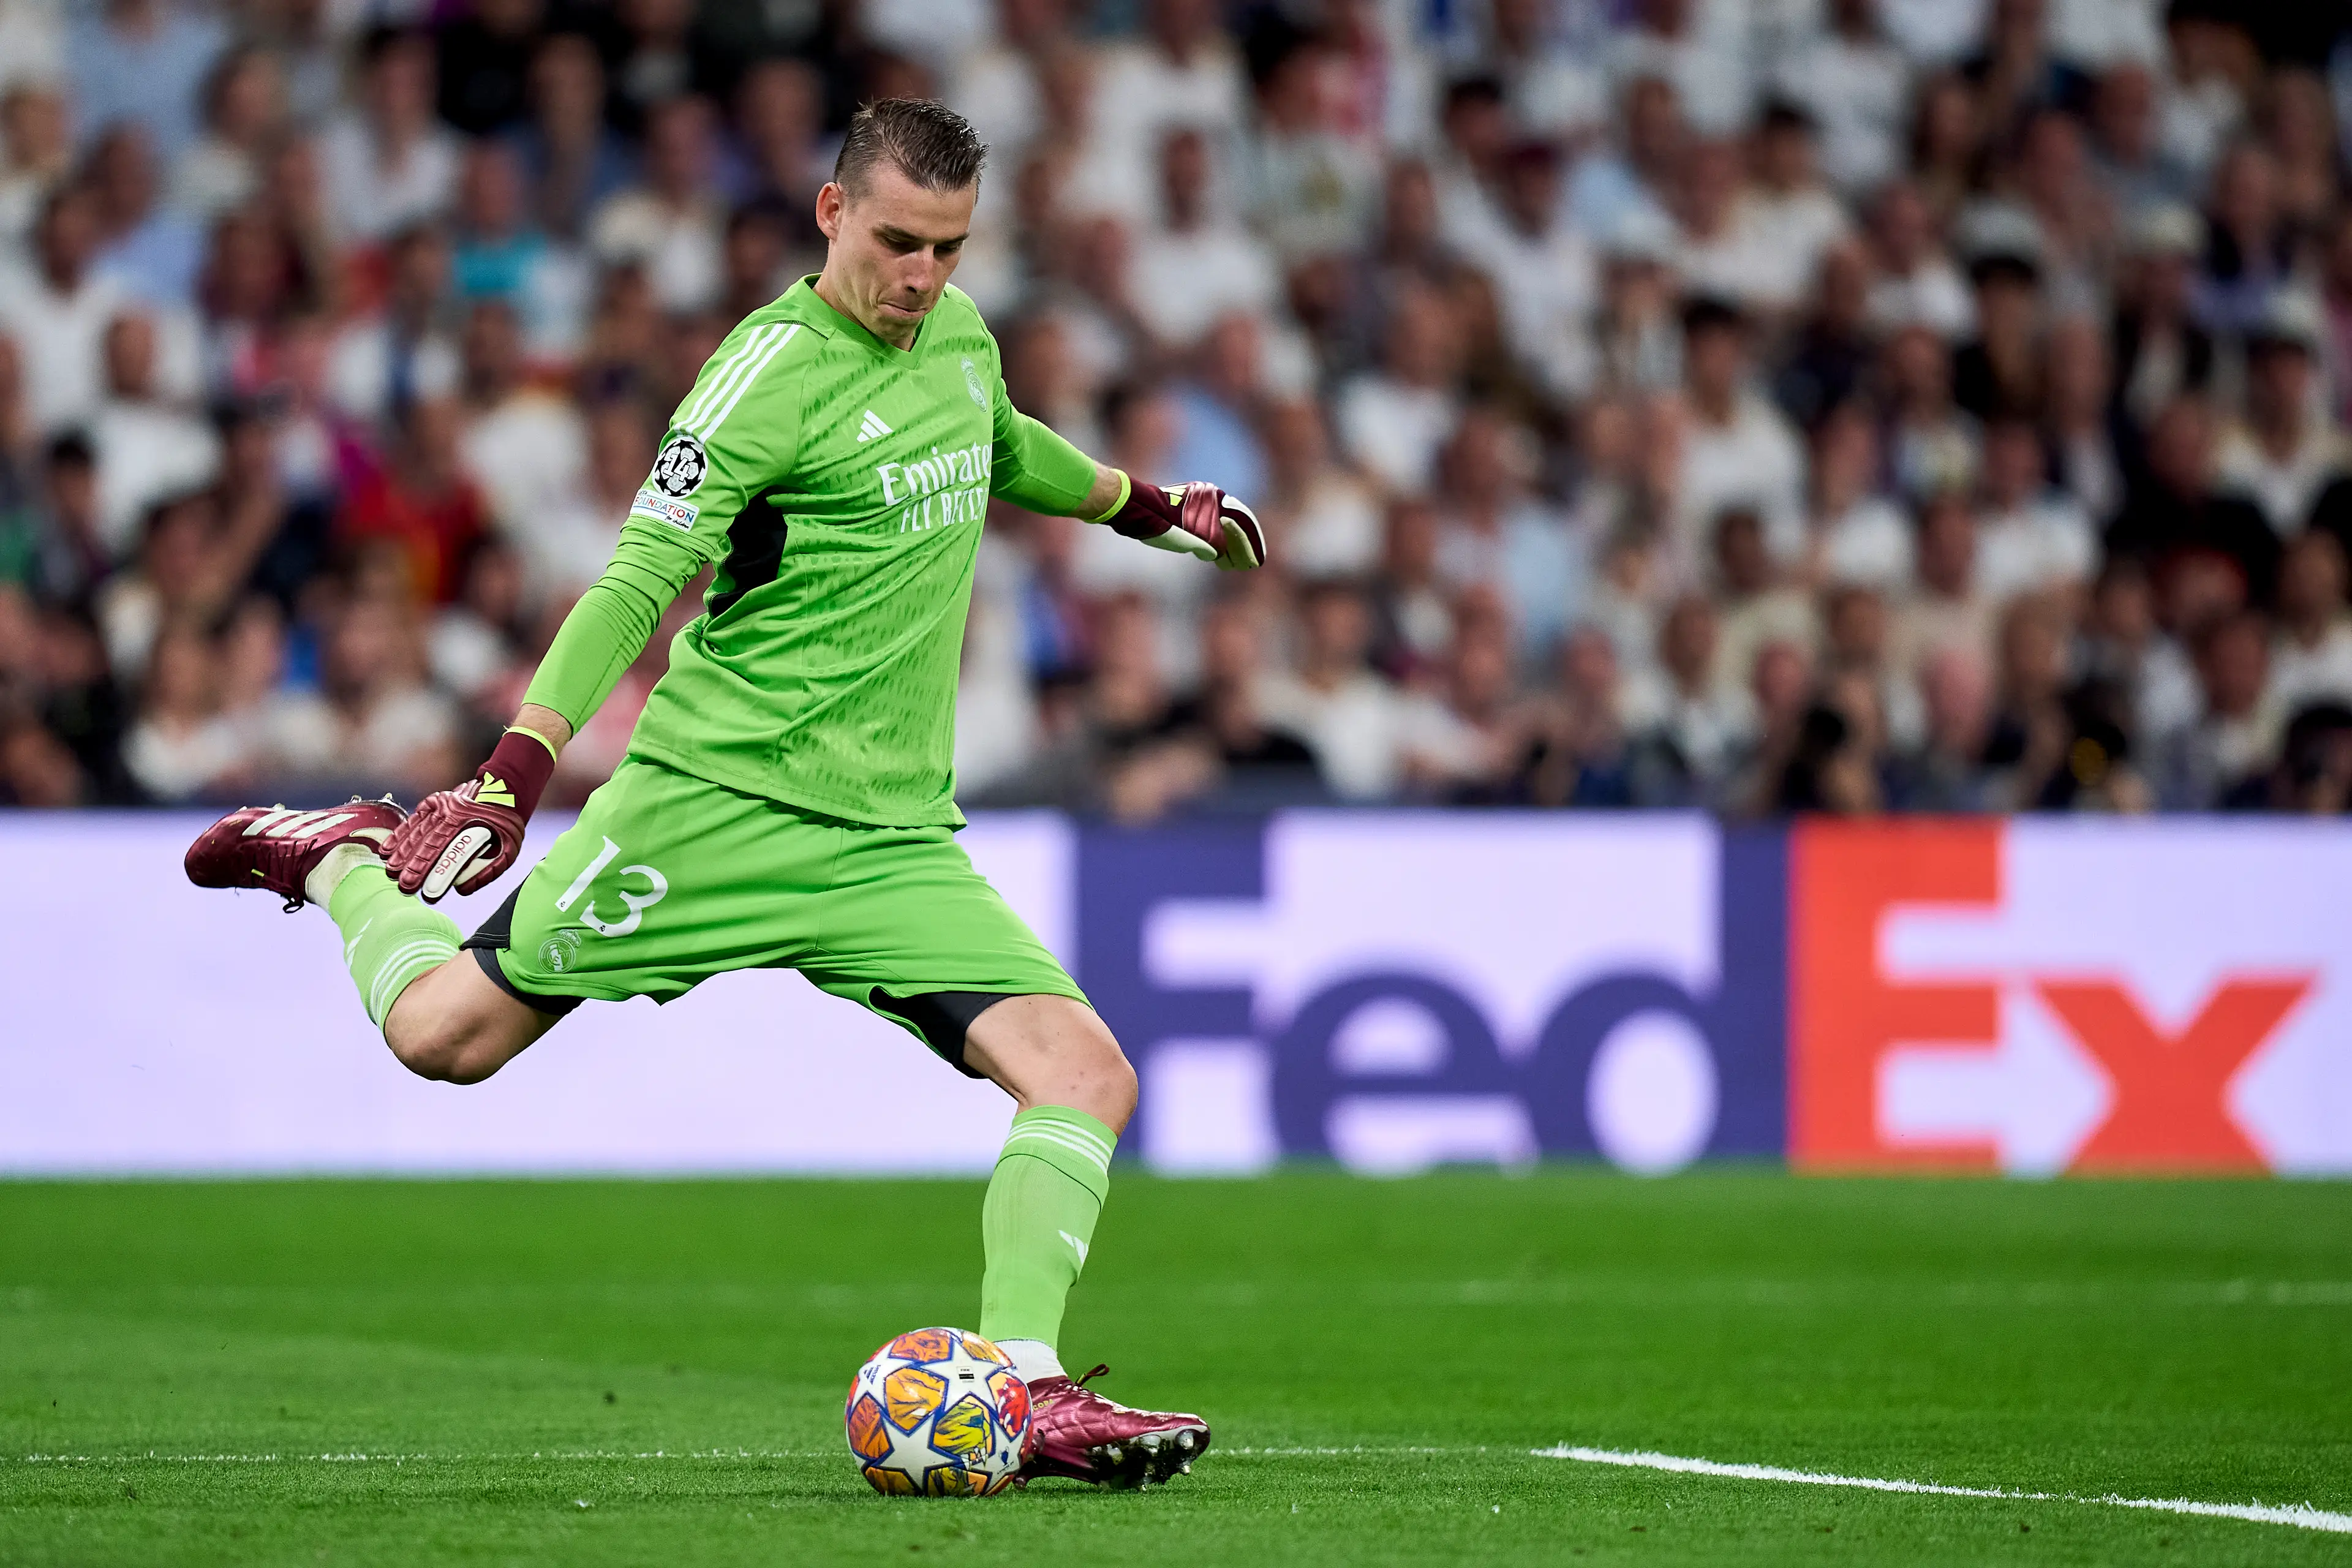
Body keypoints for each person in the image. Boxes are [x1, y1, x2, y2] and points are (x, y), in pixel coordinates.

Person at [183, 99, 1262, 1488]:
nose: (921, 276)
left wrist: (1145, 503)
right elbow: (638, 579)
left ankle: (1034, 1388)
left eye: (948, 247)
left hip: (887, 840)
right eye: (896, 242)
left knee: (1086, 1074)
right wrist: (516, 768)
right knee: (445, 1037)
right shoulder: (762, 376)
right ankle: (339, 860)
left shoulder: (959, 334)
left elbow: (999, 442)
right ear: (830, 213)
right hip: (708, 809)